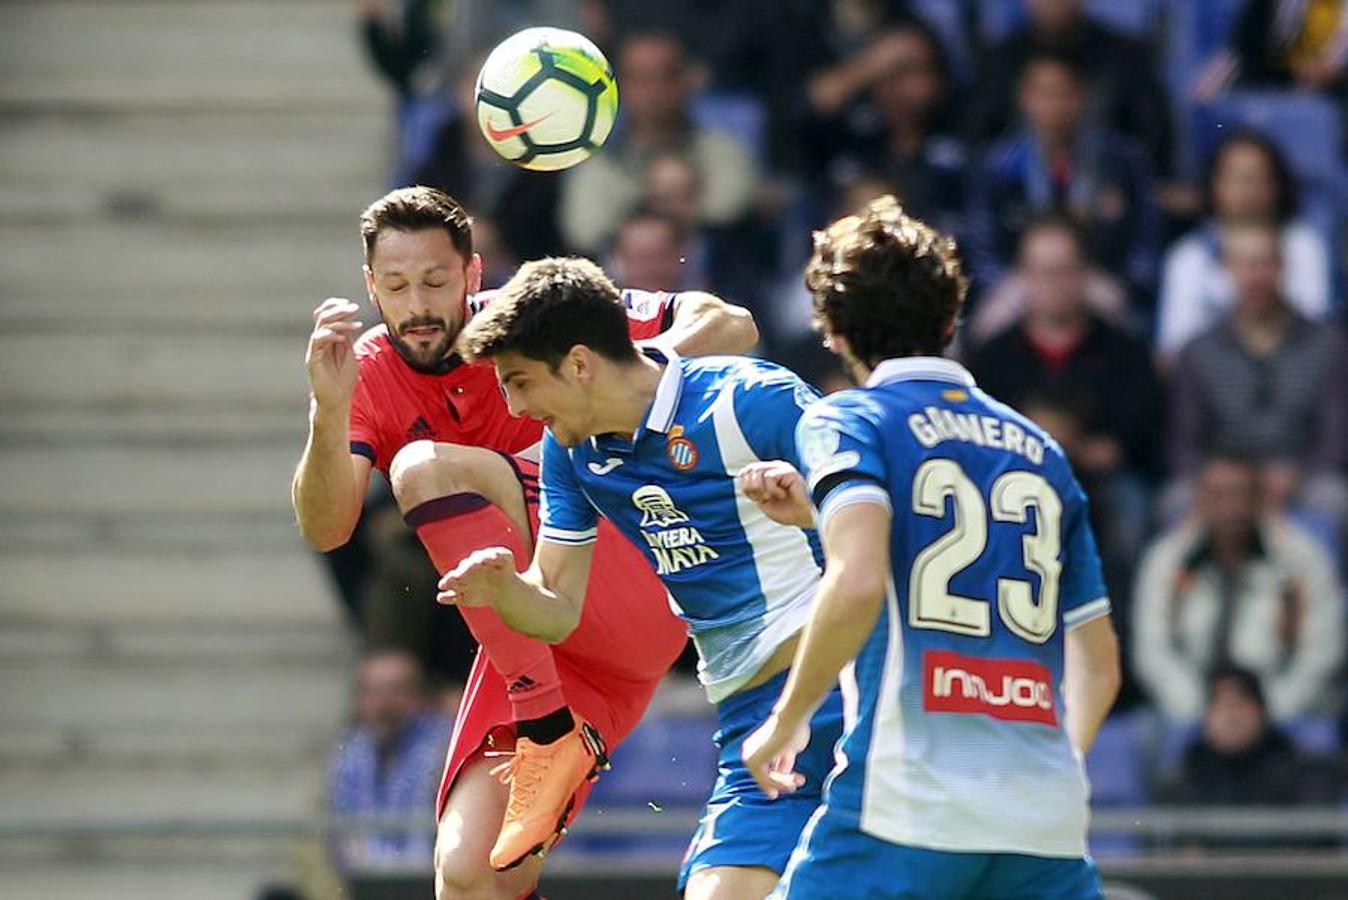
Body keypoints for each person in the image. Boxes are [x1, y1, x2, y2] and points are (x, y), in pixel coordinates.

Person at [291, 186, 758, 899]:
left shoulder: (531, 320)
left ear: (474, 277)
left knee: (425, 466)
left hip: (623, 576)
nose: (417, 304)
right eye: (395, 286)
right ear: (369, 288)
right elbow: (327, 527)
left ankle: (544, 725)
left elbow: (732, 324)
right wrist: (327, 411)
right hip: (539, 641)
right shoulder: (364, 372)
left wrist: (624, 371)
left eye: (437, 282)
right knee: (469, 875)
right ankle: (547, 722)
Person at [737, 195, 1121, 898]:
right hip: (1040, 825)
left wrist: (783, 724)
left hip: (904, 811)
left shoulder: (850, 419)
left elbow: (858, 581)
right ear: (951, 320)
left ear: (833, 332)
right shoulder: (1040, 449)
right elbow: (1097, 662)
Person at [443, 257, 844, 900]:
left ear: (578, 364)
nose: (513, 405)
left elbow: (885, 512)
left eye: (519, 382)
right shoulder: (572, 452)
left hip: (848, 684)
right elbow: (557, 608)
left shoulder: (748, 400)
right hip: (748, 715)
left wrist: (812, 510)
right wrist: (504, 590)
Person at [1166, 221, 1348, 536]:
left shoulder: (1328, 346)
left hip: (1303, 478)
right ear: (1225, 269)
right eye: (1245, 265)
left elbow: (1335, 440)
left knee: (1332, 499)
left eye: (1264, 263)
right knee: (1177, 502)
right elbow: (1184, 445)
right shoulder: (1196, 352)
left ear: (1282, 268)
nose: (1255, 276)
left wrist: (1297, 475)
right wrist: (1227, 483)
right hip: (1220, 480)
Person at [1134, 455, 1344, 723]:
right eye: (1218, 495)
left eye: (1241, 495)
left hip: (1284, 710)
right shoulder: (1167, 559)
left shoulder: (1303, 558)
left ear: (1262, 499)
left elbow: (1322, 651)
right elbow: (1152, 651)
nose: (1231, 508)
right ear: (1199, 499)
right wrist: (1201, 712)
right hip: (1187, 713)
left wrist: (1268, 713)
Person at [967, 50, 1160, 296]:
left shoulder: (1124, 161)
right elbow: (983, 253)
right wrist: (1026, 288)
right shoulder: (998, 165)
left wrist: (1123, 285)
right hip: (1020, 287)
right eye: (1044, 94)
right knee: (986, 327)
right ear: (1025, 98)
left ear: (1084, 96)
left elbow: (1144, 247)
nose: (1055, 106)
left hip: (1098, 285)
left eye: (1065, 94)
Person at [559, 32, 761, 253]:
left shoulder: (721, 148)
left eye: (664, 77)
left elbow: (730, 206)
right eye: (640, 79)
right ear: (620, 87)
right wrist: (658, 204)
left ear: (687, 81)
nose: (653, 91)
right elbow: (585, 232)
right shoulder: (599, 165)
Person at [1155, 131, 1332, 359]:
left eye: (1258, 178)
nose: (1247, 191)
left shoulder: (1303, 246)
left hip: (1294, 378)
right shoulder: (1187, 258)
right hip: (1212, 383)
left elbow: (1315, 338)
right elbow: (1174, 353)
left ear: (1276, 186)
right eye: (1237, 179)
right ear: (1214, 185)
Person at [328, 650, 453, 872]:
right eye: (374, 692)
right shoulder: (350, 751)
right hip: (364, 881)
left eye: (396, 690)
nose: (385, 703)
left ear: (420, 696)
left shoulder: (445, 745)